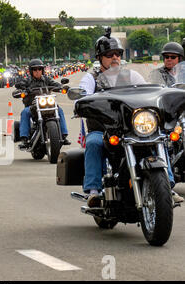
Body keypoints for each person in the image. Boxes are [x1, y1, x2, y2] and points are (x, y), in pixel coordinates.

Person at [79, 29, 183, 207]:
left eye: (117, 54)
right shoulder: (91, 78)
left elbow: (149, 93)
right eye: (109, 54)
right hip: (103, 130)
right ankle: (94, 191)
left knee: (158, 139)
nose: (114, 58)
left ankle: (167, 186)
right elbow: (82, 97)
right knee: (94, 143)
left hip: (131, 129)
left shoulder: (132, 75)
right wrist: (83, 101)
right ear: (99, 58)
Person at [15, 59, 70, 148]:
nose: (37, 71)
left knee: (59, 110)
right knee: (25, 112)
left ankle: (63, 135)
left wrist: (62, 87)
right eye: (35, 69)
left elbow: (55, 84)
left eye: (39, 69)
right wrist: (23, 90)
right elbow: (19, 87)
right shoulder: (27, 81)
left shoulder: (46, 79)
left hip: (48, 104)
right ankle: (24, 138)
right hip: (32, 106)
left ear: (42, 70)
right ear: (31, 71)